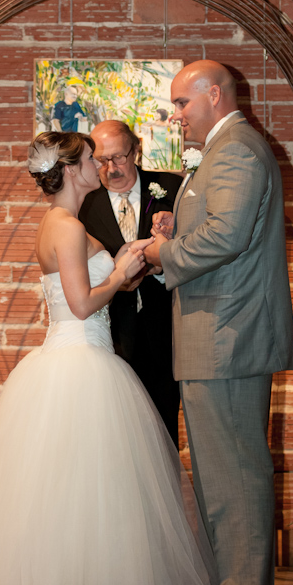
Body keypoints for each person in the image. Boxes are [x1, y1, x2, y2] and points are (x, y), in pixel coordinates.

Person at [0, 131, 216, 585]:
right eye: (91, 158)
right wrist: (119, 275)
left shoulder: (62, 224)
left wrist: (135, 258)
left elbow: (105, 275)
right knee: (96, 486)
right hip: (82, 356)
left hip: (74, 355)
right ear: (73, 170)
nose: (100, 164)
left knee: (79, 487)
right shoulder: (68, 228)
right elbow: (82, 303)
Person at [141, 60, 293, 585]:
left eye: (182, 103)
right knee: (219, 473)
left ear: (213, 94)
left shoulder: (235, 148)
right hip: (219, 334)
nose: (175, 116)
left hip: (229, 336)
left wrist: (162, 254)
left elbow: (228, 236)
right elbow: (223, 231)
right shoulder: (230, 149)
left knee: (235, 471)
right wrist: (175, 235)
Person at [78, 120, 182, 444]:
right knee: (114, 437)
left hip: (165, 333)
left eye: (119, 157)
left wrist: (161, 266)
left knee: (163, 435)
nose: (110, 168)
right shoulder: (83, 201)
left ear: (136, 150)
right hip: (111, 338)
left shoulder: (171, 189)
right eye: (101, 160)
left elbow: (194, 249)